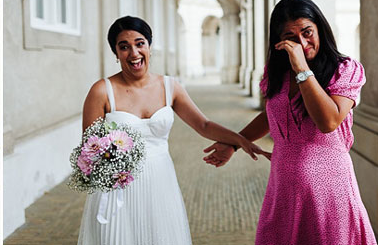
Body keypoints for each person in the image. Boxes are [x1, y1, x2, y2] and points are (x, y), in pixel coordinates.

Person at [77, 16, 268, 244]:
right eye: (124, 47)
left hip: (160, 181)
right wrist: (111, 170)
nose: (134, 53)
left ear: (149, 46)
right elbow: (89, 148)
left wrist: (240, 141)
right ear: (115, 53)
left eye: (140, 43)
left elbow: (203, 125)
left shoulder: (169, 86)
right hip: (118, 188)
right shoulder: (102, 91)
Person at [203, 0, 377, 244]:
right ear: (278, 42)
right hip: (283, 187)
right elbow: (271, 114)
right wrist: (234, 143)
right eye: (291, 38)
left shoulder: (344, 69)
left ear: (320, 28)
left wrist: (302, 69)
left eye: (307, 32)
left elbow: (328, 121)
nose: (302, 43)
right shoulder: (278, 74)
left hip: (328, 190)